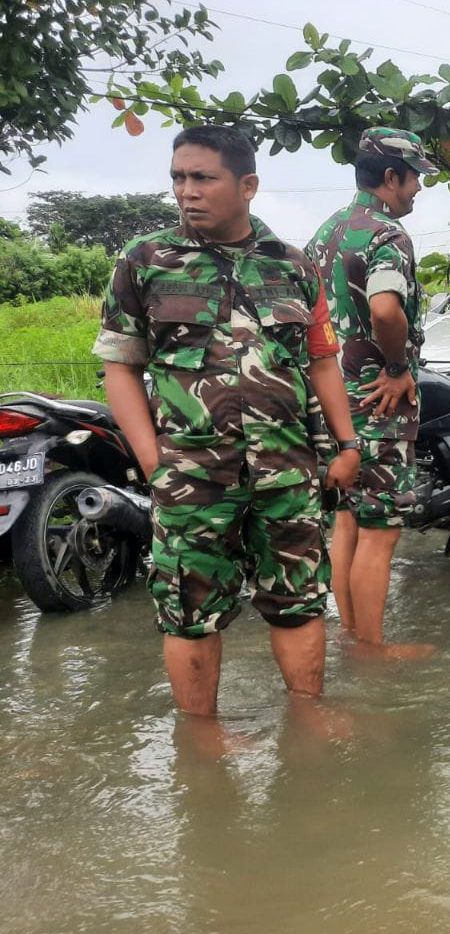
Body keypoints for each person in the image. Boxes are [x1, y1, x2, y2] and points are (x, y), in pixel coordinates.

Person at [93, 125, 361, 717]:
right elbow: (120, 367)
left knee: (298, 602)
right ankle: (203, 740)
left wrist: (346, 444)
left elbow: (321, 360)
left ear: (248, 186)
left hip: (289, 470)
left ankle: (308, 719)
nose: (186, 191)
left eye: (202, 178)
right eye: (178, 178)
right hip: (191, 475)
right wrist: (151, 460)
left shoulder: (293, 265)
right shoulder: (145, 261)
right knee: (189, 612)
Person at [308, 127, 437, 655]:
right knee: (381, 529)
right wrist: (399, 365)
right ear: (390, 177)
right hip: (375, 397)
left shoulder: (327, 231)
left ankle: (350, 633)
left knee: (347, 524)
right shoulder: (387, 234)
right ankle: (373, 648)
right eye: (415, 180)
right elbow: (386, 309)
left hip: (328, 398)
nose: (417, 191)